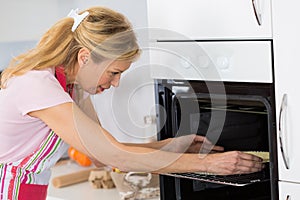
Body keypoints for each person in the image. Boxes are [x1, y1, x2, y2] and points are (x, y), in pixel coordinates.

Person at [0, 6, 264, 200]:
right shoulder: (37, 84)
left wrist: (171, 146)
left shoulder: (72, 88)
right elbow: (112, 155)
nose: (115, 83)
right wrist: (207, 165)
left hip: (29, 190)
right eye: (114, 72)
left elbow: (101, 153)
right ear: (84, 57)